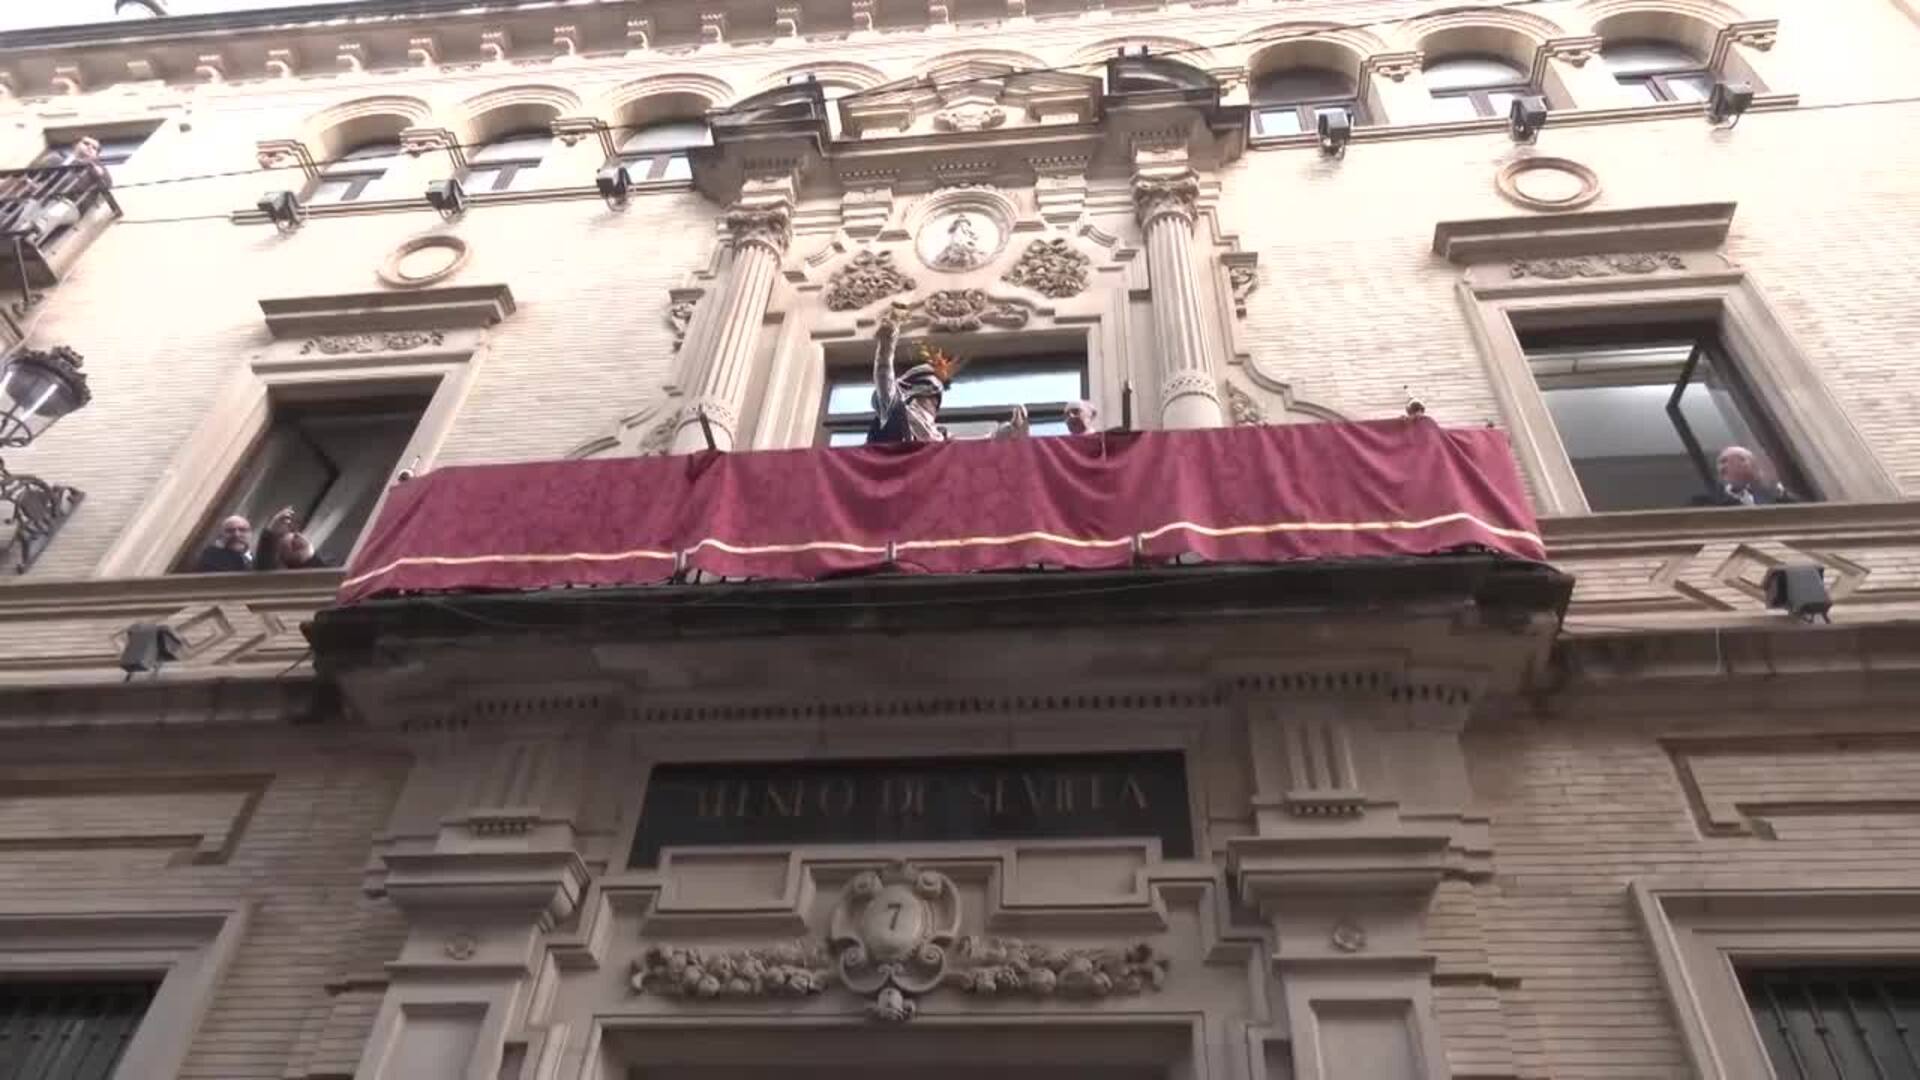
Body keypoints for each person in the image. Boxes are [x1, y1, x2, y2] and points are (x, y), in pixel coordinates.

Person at [865, 308, 954, 445]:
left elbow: (972, 446)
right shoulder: (895, 409)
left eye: (936, 402)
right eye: (930, 399)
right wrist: (887, 342)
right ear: (914, 396)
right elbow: (884, 373)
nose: (933, 407)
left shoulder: (941, 436)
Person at [1693, 445, 1798, 506]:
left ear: (1745, 462)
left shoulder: (1778, 493)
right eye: (1719, 464)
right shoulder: (1708, 502)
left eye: (1724, 461)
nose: (1720, 468)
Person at [256, 508, 329, 570]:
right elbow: (264, 568)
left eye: (295, 536)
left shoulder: (329, 562)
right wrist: (270, 533)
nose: (298, 537)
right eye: (293, 544)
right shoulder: (290, 578)